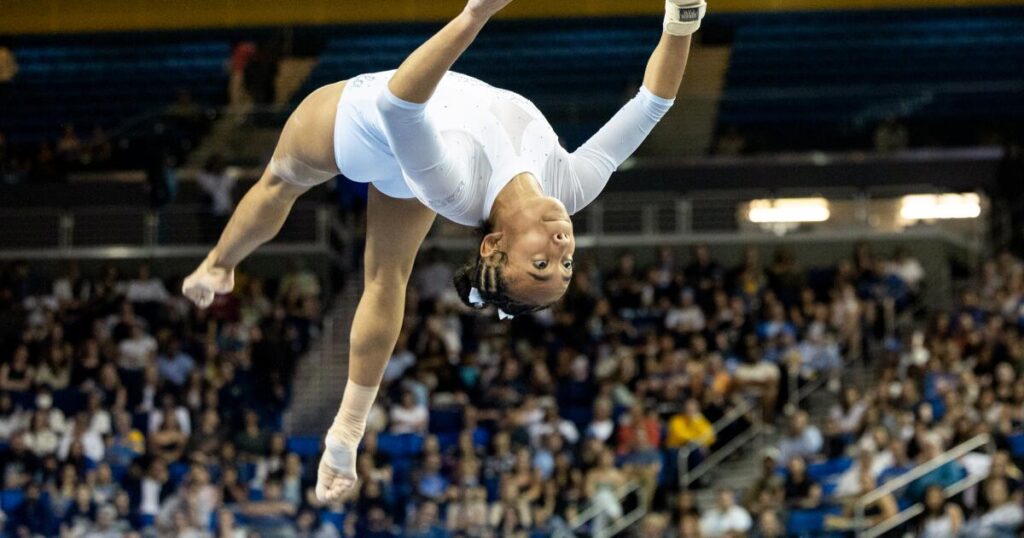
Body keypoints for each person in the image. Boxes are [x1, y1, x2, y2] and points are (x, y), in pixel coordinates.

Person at [181, 0, 707, 502]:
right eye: (566, 265)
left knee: (282, 182)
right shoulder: (571, 186)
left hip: (364, 128)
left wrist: (473, 15)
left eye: (541, 263)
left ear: (493, 245)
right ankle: (346, 432)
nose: (562, 247)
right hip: (413, 155)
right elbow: (653, 103)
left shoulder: (455, 187)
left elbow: (397, 104)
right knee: (386, 277)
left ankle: (219, 266)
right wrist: (681, 20)